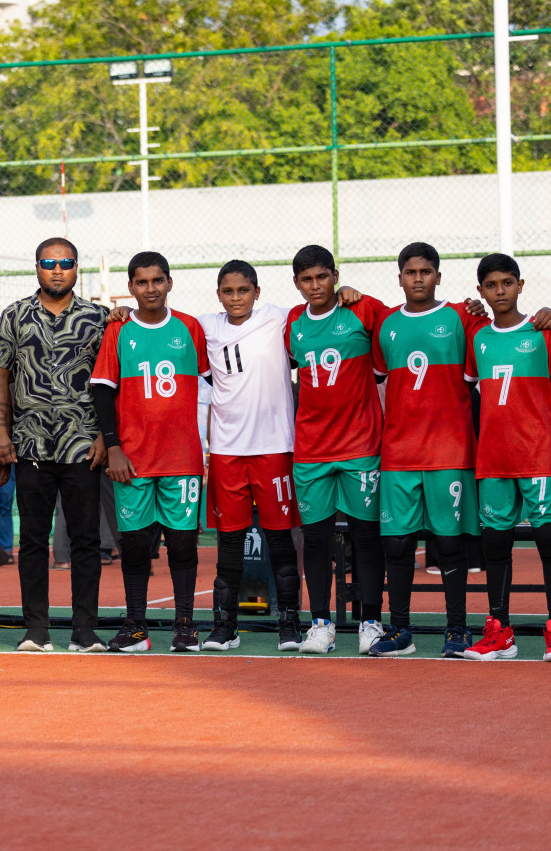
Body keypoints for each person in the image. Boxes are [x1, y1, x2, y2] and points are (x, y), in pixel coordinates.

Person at [367, 243, 551, 658]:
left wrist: (545, 315)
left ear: (438, 276)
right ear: (399, 277)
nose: (418, 278)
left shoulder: (463, 317)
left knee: (449, 546)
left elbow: (500, 331)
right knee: (396, 546)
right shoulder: (386, 324)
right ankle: (399, 630)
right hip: (397, 452)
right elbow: (380, 375)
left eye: (426, 271)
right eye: (410, 272)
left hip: (449, 451)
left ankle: (456, 630)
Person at [0, 237, 108, 653]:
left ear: (77, 267)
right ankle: (35, 630)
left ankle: (84, 631)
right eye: (48, 262)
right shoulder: (15, 316)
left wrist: (104, 436)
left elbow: (111, 384)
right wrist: (1, 434)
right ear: (36, 267)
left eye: (66, 262)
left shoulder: (100, 318)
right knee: (34, 541)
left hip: (83, 446)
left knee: (86, 540)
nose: (57, 269)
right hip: (30, 445)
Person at [91, 252, 207, 652]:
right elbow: (102, 391)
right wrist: (113, 447)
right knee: (136, 546)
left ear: (170, 283)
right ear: (131, 287)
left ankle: (186, 627)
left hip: (182, 458)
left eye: (158, 281)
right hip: (133, 460)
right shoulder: (118, 331)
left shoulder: (191, 328)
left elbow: (213, 383)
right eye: (141, 282)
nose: (150, 289)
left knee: (182, 545)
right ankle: (136, 628)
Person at [198, 261, 317, 651]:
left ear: (258, 291)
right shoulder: (205, 327)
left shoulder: (280, 318)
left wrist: (349, 293)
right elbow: (160, 322)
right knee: (229, 542)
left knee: (280, 539)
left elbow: (324, 307)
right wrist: (120, 313)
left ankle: (289, 623)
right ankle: (225, 626)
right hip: (228, 452)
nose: (236, 298)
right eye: (228, 292)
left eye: (243, 291)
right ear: (218, 294)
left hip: (273, 448)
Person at [464, 253, 551, 662]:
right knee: (496, 544)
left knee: (548, 538)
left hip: (538, 455)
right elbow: (471, 390)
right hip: (493, 458)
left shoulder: (543, 330)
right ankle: (499, 630)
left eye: (507, 283)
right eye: (491, 285)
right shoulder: (477, 336)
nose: (500, 291)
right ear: (481, 291)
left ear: (520, 285)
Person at [285, 245, 390, 655]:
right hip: (311, 449)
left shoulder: (362, 310)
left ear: (335, 275)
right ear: (297, 284)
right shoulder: (293, 321)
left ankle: (370, 621)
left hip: (360, 445)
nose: (316, 286)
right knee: (316, 539)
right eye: (307, 280)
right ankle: (321, 624)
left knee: (366, 537)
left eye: (322, 277)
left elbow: (410, 317)